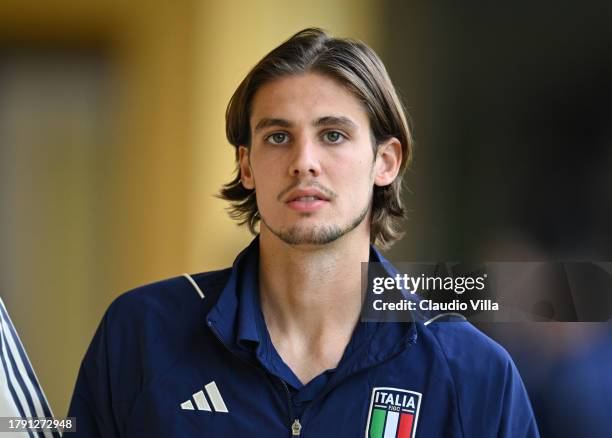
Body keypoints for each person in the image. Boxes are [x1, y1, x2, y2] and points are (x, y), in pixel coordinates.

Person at [67, 28, 539, 437]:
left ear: (385, 162)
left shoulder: (472, 371)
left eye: (333, 134)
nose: (303, 161)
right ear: (247, 165)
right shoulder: (142, 335)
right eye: (277, 136)